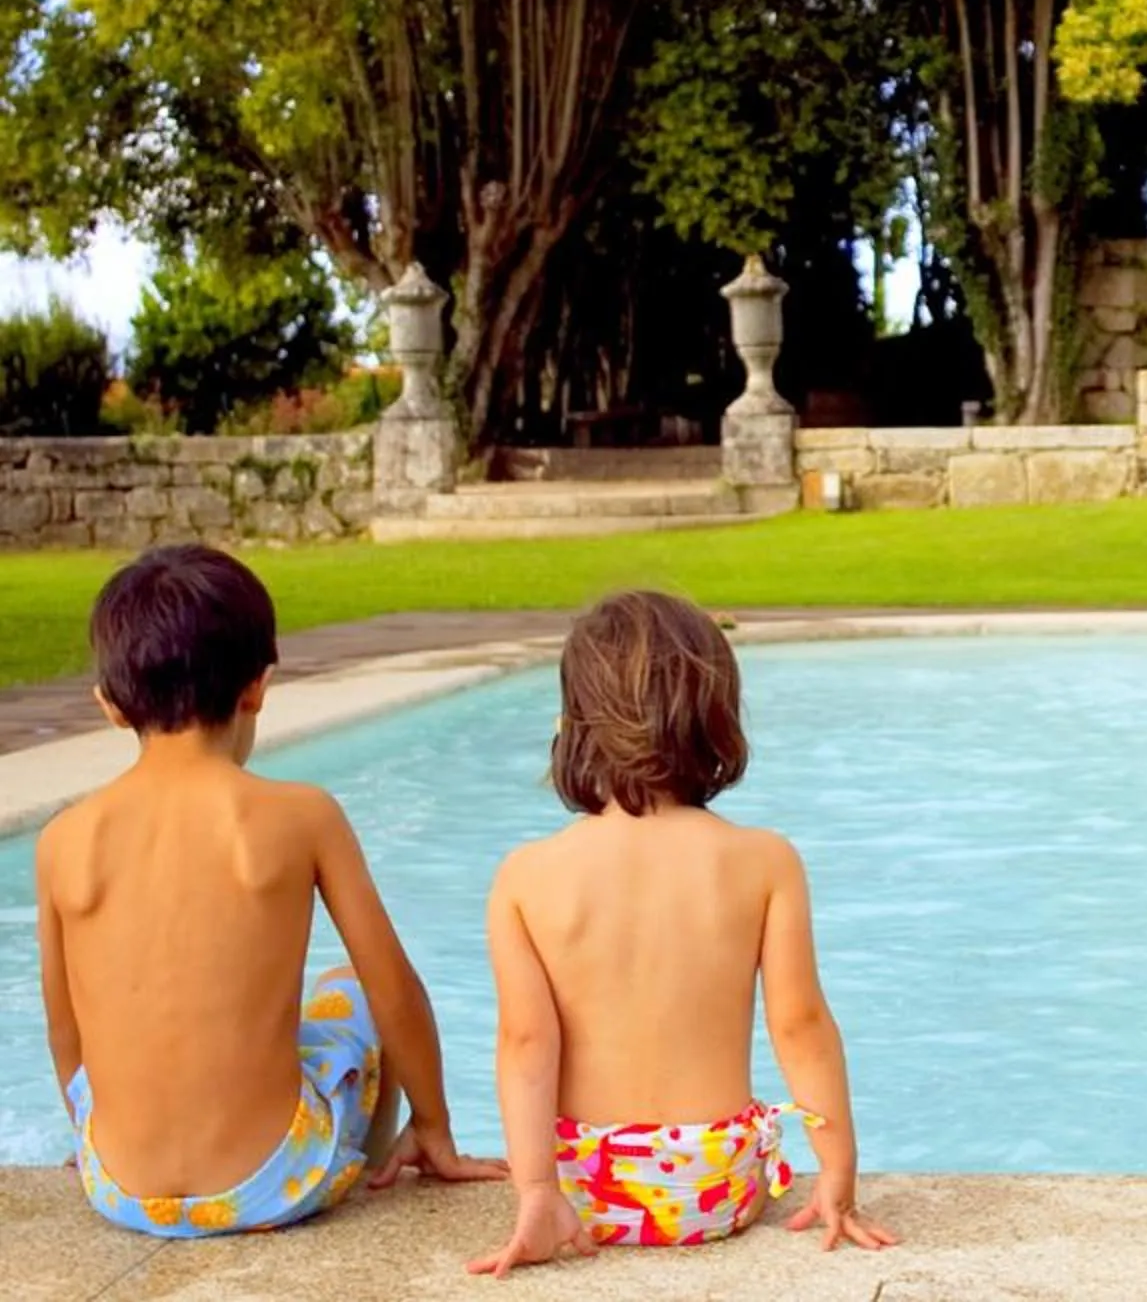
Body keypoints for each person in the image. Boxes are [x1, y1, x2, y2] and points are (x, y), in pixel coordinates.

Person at [34, 542, 498, 1237]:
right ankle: (378, 1165)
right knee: (355, 988)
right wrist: (434, 1123)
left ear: (110, 705)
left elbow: (65, 1025)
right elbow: (395, 988)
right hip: (273, 1179)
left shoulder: (63, 838)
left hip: (117, 1187)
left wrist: (90, 1134)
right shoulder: (299, 815)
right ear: (258, 687)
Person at [470, 590, 894, 1275]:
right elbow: (801, 1026)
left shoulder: (526, 876)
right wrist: (837, 1172)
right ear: (714, 719)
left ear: (573, 723)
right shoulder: (763, 861)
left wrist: (539, 1190)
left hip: (588, 1191)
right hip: (715, 1186)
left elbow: (525, 1045)